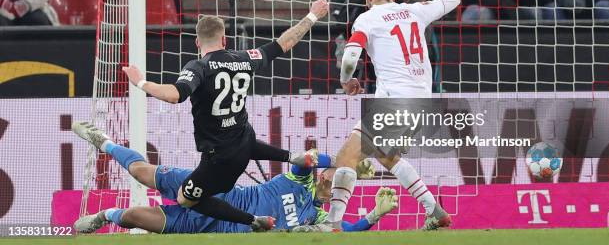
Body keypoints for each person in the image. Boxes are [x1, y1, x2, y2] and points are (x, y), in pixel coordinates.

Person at [120, 0, 329, 231]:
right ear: (224, 40)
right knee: (234, 154)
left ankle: (252, 220)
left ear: (197, 41)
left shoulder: (198, 67)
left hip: (219, 159)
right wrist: (312, 16)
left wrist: (140, 81)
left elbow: (175, 95)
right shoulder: (245, 58)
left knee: (184, 199)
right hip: (244, 146)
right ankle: (291, 157)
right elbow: (284, 43)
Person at [294, 0, 460, 233]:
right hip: (423, 103)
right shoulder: (415, 11)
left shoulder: (367, 18)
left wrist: (347, 80)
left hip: (395, 103)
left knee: (347, 157)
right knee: (385, 156)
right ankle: (435, 211)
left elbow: (350, 56)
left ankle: (331, 224)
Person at [71, 122, 398, 234]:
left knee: (133, 216)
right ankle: (104, 141)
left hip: (216, 225)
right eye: (331, 173)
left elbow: (346, 230)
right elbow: (306, 158)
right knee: (142, 172)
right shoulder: (303, 179)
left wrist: (375, 214)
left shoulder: (319, 216)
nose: (328, 178)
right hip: (218, 191)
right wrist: (337, 163)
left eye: (337, 179)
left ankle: (105, 215)